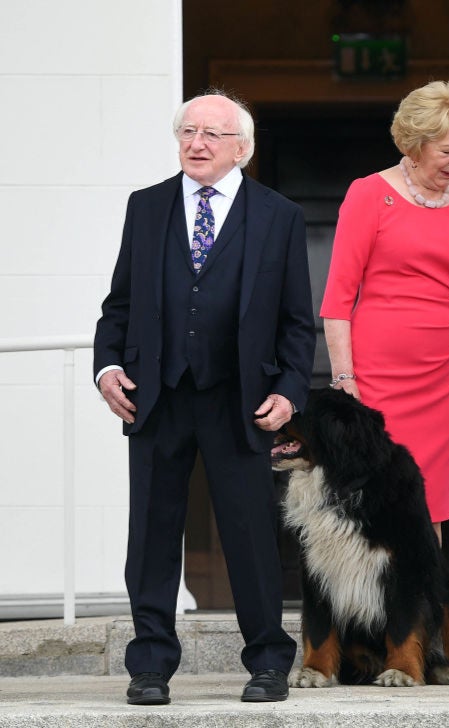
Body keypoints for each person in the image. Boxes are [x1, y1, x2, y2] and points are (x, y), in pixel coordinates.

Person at [93, 91, 316, 705]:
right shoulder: (146, 207)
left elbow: (297, 320)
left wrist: (290, 391)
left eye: (213, 134)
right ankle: (150, 666)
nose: (197, 143)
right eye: (188, 131)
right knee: (152, 534)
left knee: (249, 534)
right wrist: (108, 368)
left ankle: (268, 661)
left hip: (240, 398)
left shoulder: (278, 215)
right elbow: (119, 306)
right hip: (156, 395)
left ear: (242, 147)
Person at [320, 80, 449, 544]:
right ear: (414, 145)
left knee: (429, 498)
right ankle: (371, 610)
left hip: (444, 377)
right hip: (378, 376)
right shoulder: (369, 194)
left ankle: (424, 607)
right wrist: (344, 379)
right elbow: (338, 299)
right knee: (375, 494)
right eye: (448, 150)